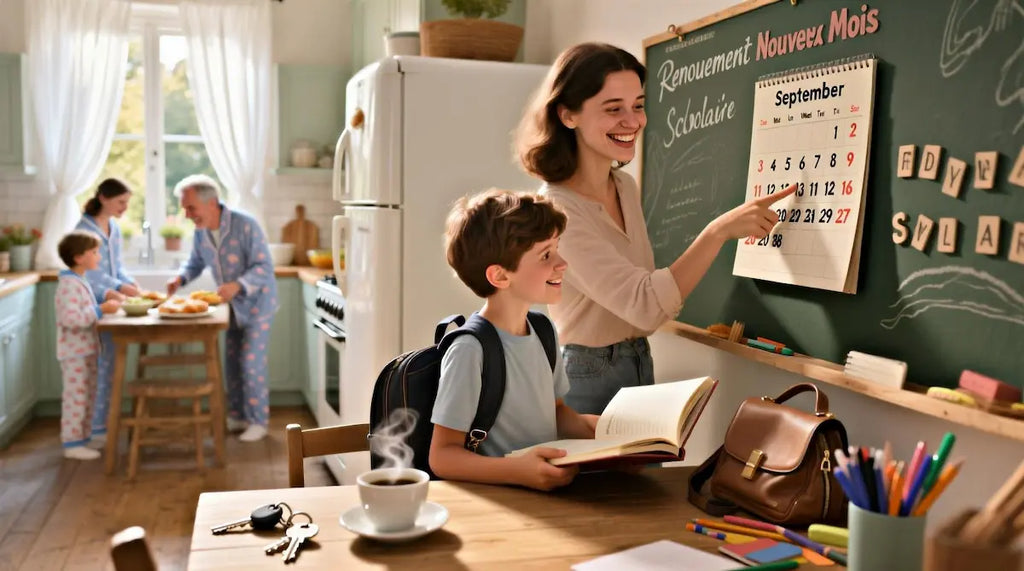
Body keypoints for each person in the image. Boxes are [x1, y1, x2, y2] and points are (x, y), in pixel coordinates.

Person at [515, 43, 796, 415]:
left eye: (639, 105)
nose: (632, 122)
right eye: (614, 109)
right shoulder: (558, 210)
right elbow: (645, 306)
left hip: (638, 361)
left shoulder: (624, 187)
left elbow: (642, 301)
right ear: (568, 115)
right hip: (586, 375)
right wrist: (716, 233)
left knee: (645, 475)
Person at [429, 189, 599, 491]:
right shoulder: (469, 350)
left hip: (546, 498)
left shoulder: (544, 330)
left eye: (557, 248)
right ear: (500, 276)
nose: (562, 263)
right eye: (546, 255)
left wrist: (605, 430)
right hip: (501, 504)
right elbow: (442, 457)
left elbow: (557, 413)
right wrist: (517, 471)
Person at [165, 175, 278, 442]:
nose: (187, 214)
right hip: (229, 308)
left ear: (212, 202)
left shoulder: (245, 225)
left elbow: (264, 267)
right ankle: (238, 415)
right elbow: (194, 263)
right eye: (185, 208)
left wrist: (238, 285)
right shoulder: (201, 231)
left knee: (251, 363)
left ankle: (258, 421)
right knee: (232, 363)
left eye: (191, 207)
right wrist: (180, 278)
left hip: (258, 305)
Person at [75, 178, 138, 444]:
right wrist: (117, 288)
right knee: (96, 369)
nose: (125, 207)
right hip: (91, 305)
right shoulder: (83, 231)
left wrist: (129, 283)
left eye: (127, 202)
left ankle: (104, 426)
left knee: (110, 367)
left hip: (110, 307)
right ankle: (93, 430)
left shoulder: (113, 228)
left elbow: (117, 267)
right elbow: (90, 274)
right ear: (103, 197)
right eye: (121, 201)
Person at [55, 231, 122, 460]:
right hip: (75, 353)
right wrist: (100, 310)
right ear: (78, 257)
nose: (99, 257)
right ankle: (72, 444)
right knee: (77, 398)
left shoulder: (78, 280)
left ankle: (82, 439)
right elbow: (71, 319)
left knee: (86, 396)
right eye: (94, 252)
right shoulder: (68, 285)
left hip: (85, 351)